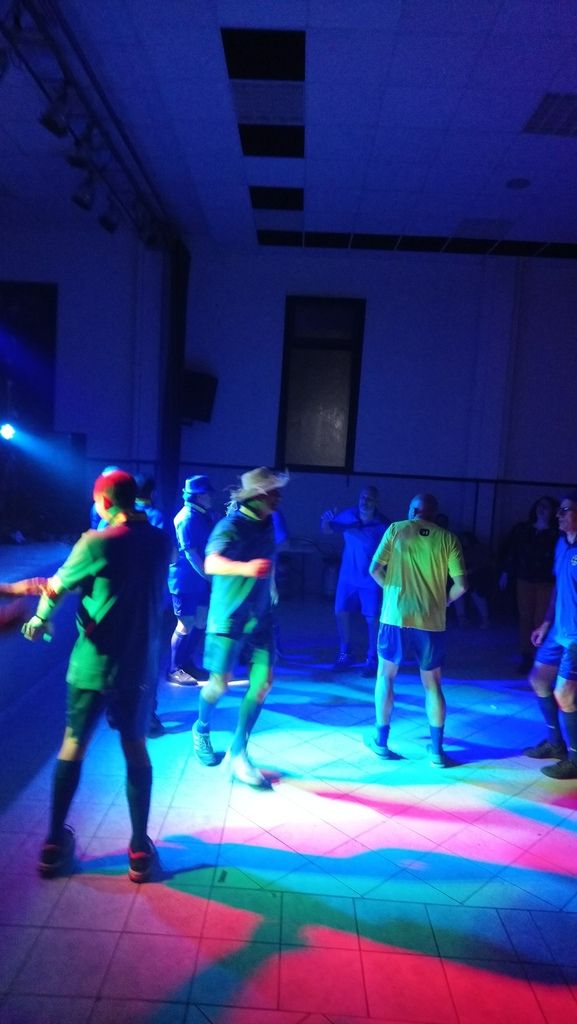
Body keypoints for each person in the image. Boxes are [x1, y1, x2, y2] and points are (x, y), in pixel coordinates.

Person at [20, 470, 171, 881]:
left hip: (92, 666)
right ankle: (138, 850)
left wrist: (39, 619)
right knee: (135, 747)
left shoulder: (95, 542)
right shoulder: (161, 541)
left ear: (104, 501)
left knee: (74, 745)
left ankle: (54, 844)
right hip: (136, 667)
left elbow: (56, 587)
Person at [191, 466, 289, 787]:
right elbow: (211, 562)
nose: (278, 497)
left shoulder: (269, 522)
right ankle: (201, 728)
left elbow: (269, 559)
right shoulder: (230, 525)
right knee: (218, 685)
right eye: (273, 492)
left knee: (263, 683)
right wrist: (246, 569)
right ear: (257, 496)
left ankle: (239, 751)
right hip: (228, 618)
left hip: (261, 618)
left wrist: (271, 586)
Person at [368, 493, 468, 767]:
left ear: (412, 510)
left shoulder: (396, 529)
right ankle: (436, 751)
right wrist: (444, 601)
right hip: (430, 621)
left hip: (395, 617)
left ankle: (381, 742)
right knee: (432, 683)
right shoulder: (448, 539)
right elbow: (462, 585)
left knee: (386, 676)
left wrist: (392, 592)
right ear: (434, 514)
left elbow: (374, 569)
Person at [522, 490, 577, 779]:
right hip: (558, 630)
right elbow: (558, 586)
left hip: (575, 636)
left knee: (564, 695)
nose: (558, 514)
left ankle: (575, 759)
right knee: (539, 680)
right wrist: (546, 623)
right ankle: (555, 744)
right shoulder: (561, 544)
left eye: (565, 510)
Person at [321, 485, 389, 676]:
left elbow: (391, 552)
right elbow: (328, 529)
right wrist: (326, 521)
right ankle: (345, 654)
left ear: (376, 502)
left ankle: (372, 658)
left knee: (372, 618)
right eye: (362, 497)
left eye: (369, 498)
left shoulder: (382, 525)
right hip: (347, 578)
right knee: (340, 612)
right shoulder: (348, 515)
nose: (364, 501)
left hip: (370, 579)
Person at [499, 496, 558, 673]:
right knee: (525, 617)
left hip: (546, 581)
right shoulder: (523, 529)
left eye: (546, 507)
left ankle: (539, 656)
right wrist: (506, 572)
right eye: (539, 505)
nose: (541, 509)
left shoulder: (556, 534)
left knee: (541, 618)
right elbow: (513, 551)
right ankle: (527, 655)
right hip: (524, 578)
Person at [167, 475, 215, 685]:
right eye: (207, 493)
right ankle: (174, 669)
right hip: (185, 580)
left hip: (200, 580)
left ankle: (187, 663)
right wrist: (208, 576)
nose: (210, 496)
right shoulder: (187, 517)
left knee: (201, 621)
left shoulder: (201, 515)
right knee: (185, 623)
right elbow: (190, 553)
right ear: (198, 496)